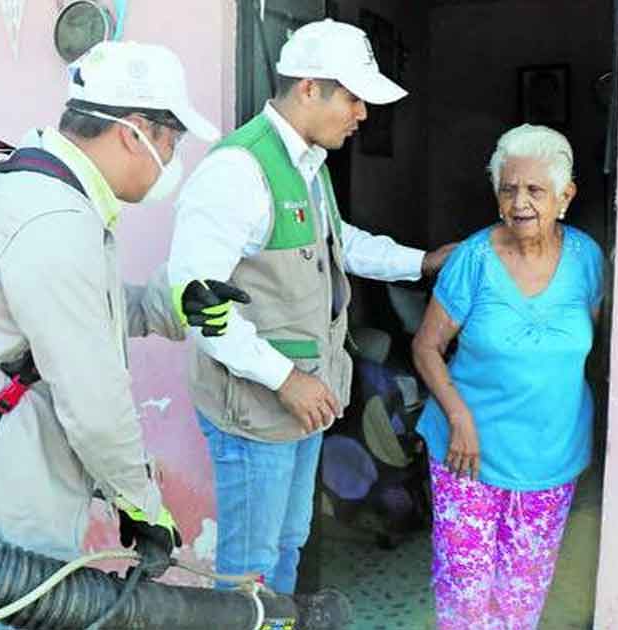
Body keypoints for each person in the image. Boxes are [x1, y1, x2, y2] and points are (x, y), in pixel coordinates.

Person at [0, 41, 247, 627]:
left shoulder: (36, 189)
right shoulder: (53, 222)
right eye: (172, 143)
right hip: (4, 503)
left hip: (7, 481)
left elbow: (83, 311)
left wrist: (170, 303)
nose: (171, 161)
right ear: (134, 131)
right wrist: (143, 504)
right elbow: (94, 403)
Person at [167, 19, 456, 596]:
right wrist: (284, 379)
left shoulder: (306, 166)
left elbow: (339, 244)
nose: (362, 114)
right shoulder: (239, 170)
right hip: (258, 405)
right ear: (308, 89)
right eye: (352, 97)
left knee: (286, 545)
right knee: (249, 567)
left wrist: (422, 262)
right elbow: (194, 303)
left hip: (302, 399)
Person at [411, 124, 605, 629]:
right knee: (466, 596)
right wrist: (459, 418)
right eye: (508, 188)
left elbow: (594, 346)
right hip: (467, 454)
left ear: (566, 197)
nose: (520, 202)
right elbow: (427, 346)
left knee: (522, 599)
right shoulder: (473, 260)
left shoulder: (587, 260)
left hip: (551, 456)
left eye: (536, 190)